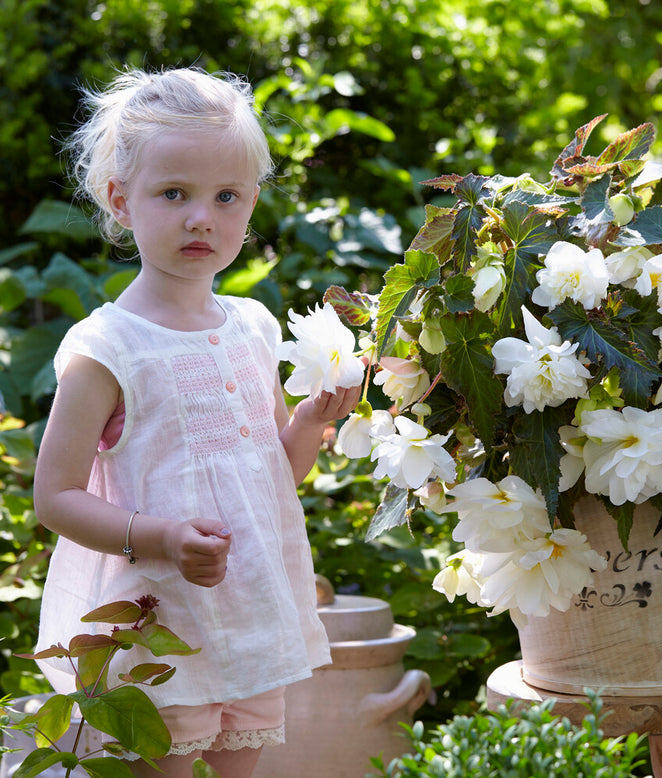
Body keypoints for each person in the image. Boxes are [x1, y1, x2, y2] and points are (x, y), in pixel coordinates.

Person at [32, 66, 359, 778]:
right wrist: (160, 537)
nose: (200, 217)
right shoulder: (108, 348)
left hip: (247, 615)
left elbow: (276, 473)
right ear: (121, 201)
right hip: (157, 624)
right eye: (173, 193)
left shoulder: (252, 327)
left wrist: (306, 423)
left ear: (250, 205)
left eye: (225, 197)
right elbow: (53, 497)